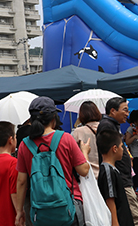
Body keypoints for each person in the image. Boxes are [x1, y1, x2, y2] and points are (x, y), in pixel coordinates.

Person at [15, 96, 90, 226]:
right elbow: (83, 171)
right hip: (69, 206)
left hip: (40, 210)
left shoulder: (25, 145)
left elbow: (21, 182)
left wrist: (19, 211)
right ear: (53, 118)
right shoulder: (66, 138)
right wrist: (84, 152)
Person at [97, 96, 138, 226]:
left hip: (122, 176)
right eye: (124, 110)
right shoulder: (107, 126)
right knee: (135, 218)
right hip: (121, 178)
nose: (127, 114)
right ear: (113, 111)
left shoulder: (112, 125)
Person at [97, 129, 134, 226]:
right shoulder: (108, 170)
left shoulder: (111, 169)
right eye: (122, 146)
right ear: (115, 149)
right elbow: (110, 199)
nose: (123, 149)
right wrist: (115, 223)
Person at [71, 101, 102, 178]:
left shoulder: (78, 131)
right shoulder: (106, 127)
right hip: (105, 173)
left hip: (88, 174)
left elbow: (72, 154)